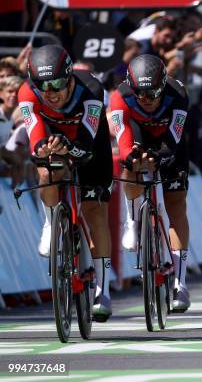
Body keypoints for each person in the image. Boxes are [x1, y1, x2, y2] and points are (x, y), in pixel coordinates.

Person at [18, 45, 114, 321]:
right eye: (42, 85)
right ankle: (51, 223)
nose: (50, 91)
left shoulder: (92, 90)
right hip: (54, 139)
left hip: (89, 144)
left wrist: (68, 148)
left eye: (57, 83)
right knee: (46, 172)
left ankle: (102, 291)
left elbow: (86, 144)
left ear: (71, 78)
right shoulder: (27, 93)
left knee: (95, 209)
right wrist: (44, 149)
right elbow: (35, 137)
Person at [108, 54, 191, 313]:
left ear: (163, 84)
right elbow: (122, 138)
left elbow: (174, 136)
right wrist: (131, 156)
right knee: (130, 166)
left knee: (176, 206)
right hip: (137, 135)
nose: (147, 98)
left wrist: (162, 156)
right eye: (140, 93)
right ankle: (132, 221)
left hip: (169, 141)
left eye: (154, 92)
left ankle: (180, 282)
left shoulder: (178, 93)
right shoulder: (119, 96)